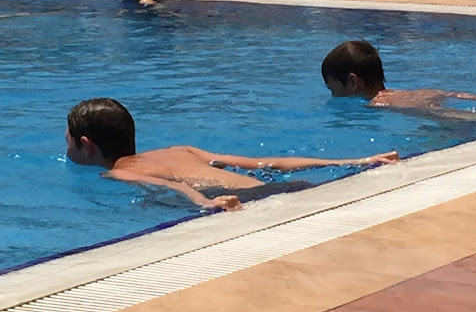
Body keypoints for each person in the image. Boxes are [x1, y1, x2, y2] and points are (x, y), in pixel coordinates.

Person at [66, 98, 400, 212]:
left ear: (86, 144)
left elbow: (175, 187)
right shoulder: (180, 150)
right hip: (286, 187)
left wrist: (206, 204)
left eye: (67, 142)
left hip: (253, 200)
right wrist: (353, 162)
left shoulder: (116, 173)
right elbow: (268, 164)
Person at [322, 40, 476, 111]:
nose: (333, 95)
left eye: (332, 89)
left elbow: (446, 115)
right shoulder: (409, 93)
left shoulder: (380, 104)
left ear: (352, 81)